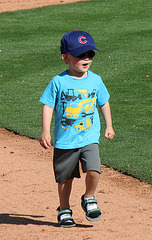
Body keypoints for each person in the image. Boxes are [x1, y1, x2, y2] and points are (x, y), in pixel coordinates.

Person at [39, 30, 115, 227]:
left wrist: (109, 125)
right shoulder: (58, 81)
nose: (86, 58)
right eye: (81, 54)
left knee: (94, 169)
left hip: (89, 136)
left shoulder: (95, 80)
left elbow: (103, 102)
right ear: (65, 57)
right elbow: (48, 105)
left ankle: (89, 197)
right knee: (65, 178)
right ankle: (64, 209)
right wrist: (46, 131)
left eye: (90, 54)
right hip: (65, 140)